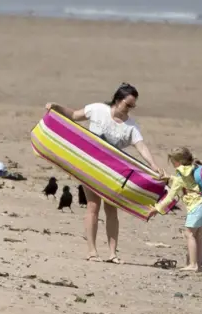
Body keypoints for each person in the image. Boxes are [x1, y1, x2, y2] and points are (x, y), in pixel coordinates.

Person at [45, 82, 162, 264]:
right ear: (118, 100)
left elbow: (141, 146)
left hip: (113, 172)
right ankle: (92, 251)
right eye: (128, 105)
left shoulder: (131, 126)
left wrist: (153, 165)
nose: (130, 109)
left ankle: (112, 254)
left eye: (133, 106)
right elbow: (75, 115)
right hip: (90, 166)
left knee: (111, 210)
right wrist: (56, 107)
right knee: (93, 206)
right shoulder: (98, 109)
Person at [148, 147, 202, 272]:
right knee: (198, 236)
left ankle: (193, 264)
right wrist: (169, 177)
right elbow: (184, 181)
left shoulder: (180, 175)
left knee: (189, 234)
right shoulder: (195, 168)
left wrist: (157, 208)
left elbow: (170, 197)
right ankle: (199, 263)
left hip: (195, 207)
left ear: (178, 162)